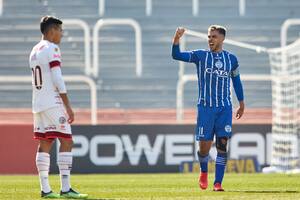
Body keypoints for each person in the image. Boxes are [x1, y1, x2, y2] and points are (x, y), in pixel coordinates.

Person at [172, 25, 245, 191]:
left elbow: (237, 82)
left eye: (213, 36)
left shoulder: (231, 59)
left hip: (224, 109)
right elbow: (176, 55)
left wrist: (241, 103)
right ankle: (204, 171)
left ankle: (217, 183)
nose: (210, 39)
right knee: (204, 147)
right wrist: (176, 39)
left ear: (222, 38)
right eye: (209, 37)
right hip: (206, 109)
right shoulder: (201, 56)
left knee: (222, 145)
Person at [29, 16, 88, 199]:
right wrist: (68, 106)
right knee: (67, 141)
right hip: (52, 102)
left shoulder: (34, 50)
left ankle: (45, 189)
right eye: (60, 30)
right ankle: (66, 188)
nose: (62, 34)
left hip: (38, 103)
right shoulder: (52, 48)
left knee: (45, 142)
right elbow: (57, 78)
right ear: (52, 30)